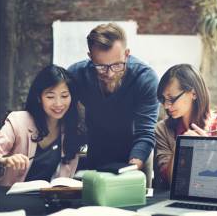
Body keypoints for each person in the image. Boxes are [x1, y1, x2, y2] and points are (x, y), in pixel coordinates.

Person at [68, 23, 159, 172]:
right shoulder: (77, 75)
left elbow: (145, 133)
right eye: (101, 67)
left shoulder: (145, 79)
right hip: (96, 153)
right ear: (90, 57)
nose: (109, 74)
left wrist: (131, 169)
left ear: (127, 54)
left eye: (117, 65)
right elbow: (67, 120)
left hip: (137, 155)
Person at [0, 65, 81, 186]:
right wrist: (4, 160)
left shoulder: (72, 130)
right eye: (50, 97)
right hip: (11, 199)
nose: (58, 103)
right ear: (39, 97)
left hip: (50, 199)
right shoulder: (18, 121)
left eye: (64, 96)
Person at [155, 64, 217, 186]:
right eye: (163, 99)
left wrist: (208, 151)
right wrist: (180, 146)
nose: (166, 106)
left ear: (194, 94)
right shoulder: (163, 130)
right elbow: (169, 183)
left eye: (172, 99)